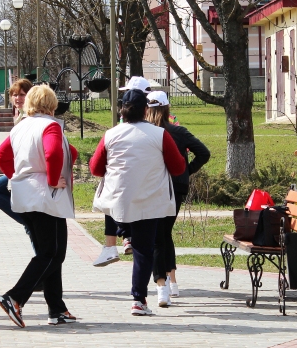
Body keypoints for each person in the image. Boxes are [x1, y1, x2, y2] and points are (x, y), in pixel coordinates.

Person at [89, 88, 185, 316]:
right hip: (150, 201)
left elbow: (95, 168)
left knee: (128, 230)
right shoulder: (160, 135)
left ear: (121, 110)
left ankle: (122, 237)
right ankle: (138, 300)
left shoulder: (110, 135)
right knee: (144, 250)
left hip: (119, 200)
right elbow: (178, 167)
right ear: (145, 110)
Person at [0, 85, 77, 328]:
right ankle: (15, 297)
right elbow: (51, 154)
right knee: (52, 254)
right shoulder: (50, 125)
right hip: (45, 196)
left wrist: (17, 176)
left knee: (50, 252)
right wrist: (52, 179)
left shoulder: (20, 126)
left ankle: (57, 309)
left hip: (24, 194)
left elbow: (1, 155)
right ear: (51, 104)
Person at [145, 90, 210, 305]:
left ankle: (161, 286)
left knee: (157, 236)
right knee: (164, 234)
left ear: (147, 109)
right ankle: (173, 283)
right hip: (176, 188)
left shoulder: (145, 134)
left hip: (154, 188)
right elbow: (204, 153)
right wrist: (185, 172)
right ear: (167, 109)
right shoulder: (178, 132)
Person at [92, 76, 154, 266]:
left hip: (142, 177)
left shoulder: (149, 120)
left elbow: (96, 166)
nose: (125, 100)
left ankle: (115, 244)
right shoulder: (146, 118)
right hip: (147, 178)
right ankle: (121, 242)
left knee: (114, 196)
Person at [0, 79, 36, 249]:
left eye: (22, 94)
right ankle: (29, 221)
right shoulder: (19, 116)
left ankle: (29, 221)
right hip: (19, 170)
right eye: (14, 94)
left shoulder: (30, 118)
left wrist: (13, 175)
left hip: (25, 172)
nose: (17, 98)